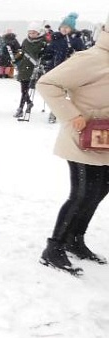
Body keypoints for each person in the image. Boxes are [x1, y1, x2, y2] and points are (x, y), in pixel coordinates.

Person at [36, 18, 109, 276]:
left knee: (99, 190)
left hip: (106, 139)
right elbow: (47, 83)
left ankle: (75, 239)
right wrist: (71, 114)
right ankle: (53, 248)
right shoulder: (91, 58)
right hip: (84, 138)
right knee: (82, 193)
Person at [41, 12, 87, 123]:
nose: (64, 29)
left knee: (68, 93)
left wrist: (74, 53)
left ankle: (69, 113)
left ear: (71, 29)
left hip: (69, 70)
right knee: (56, 93)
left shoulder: (76, 40)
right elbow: (50, 52)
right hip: (55, 69)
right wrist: (45, 54)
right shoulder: (56, 38)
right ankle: (55, 112)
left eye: (67, 27)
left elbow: (83, 54)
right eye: (63, 27)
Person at [12, 23, 46, 118]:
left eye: (34, 32)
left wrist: (42, 61)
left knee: (25, 89)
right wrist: (15, 59)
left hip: (33, 68)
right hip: (23, 67)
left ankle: (21, 108)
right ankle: (28, 103)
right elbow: (21, 52)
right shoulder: (25, 41)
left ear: (38, 33)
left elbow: (44, 55)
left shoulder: (42, 43)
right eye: (30, 32)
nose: (31, 34)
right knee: (23, 89)